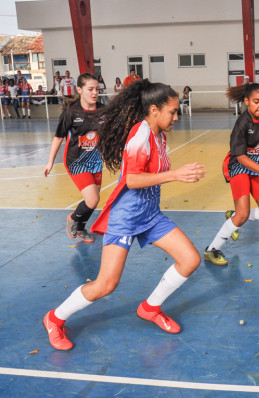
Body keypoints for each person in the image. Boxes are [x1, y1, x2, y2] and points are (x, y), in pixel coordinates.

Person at [42, 79, 206, 351]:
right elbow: (132, 179)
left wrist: (174, 175)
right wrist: (175, 175)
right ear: (154, 110)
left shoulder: (159, 136)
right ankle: (54, 318)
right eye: (173, 112)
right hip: (127, 216)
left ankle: (150, 307)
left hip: (150, 214)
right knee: (106, 284)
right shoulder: (140, 134)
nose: (177, 117)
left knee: (190, 260)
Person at [204, 83, 259, 266]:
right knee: (243, 214)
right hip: (239, 165)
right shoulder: (242, 123)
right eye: (256, 102)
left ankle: (234, 215)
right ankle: (212, 250)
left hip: (256, 166)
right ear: (247, 101)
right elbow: (240, 157)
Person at [43, 73, 104, 243]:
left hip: (95, 160)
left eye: (97, 89)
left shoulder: (103, 110)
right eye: (90, 89)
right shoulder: (71, 113)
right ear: (79, 89)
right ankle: (73, 218)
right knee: (92, 199)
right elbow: (58, 138)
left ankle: (81, 229)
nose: (95, 93)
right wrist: (50, 162)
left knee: (93, 200)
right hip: (76, 161)